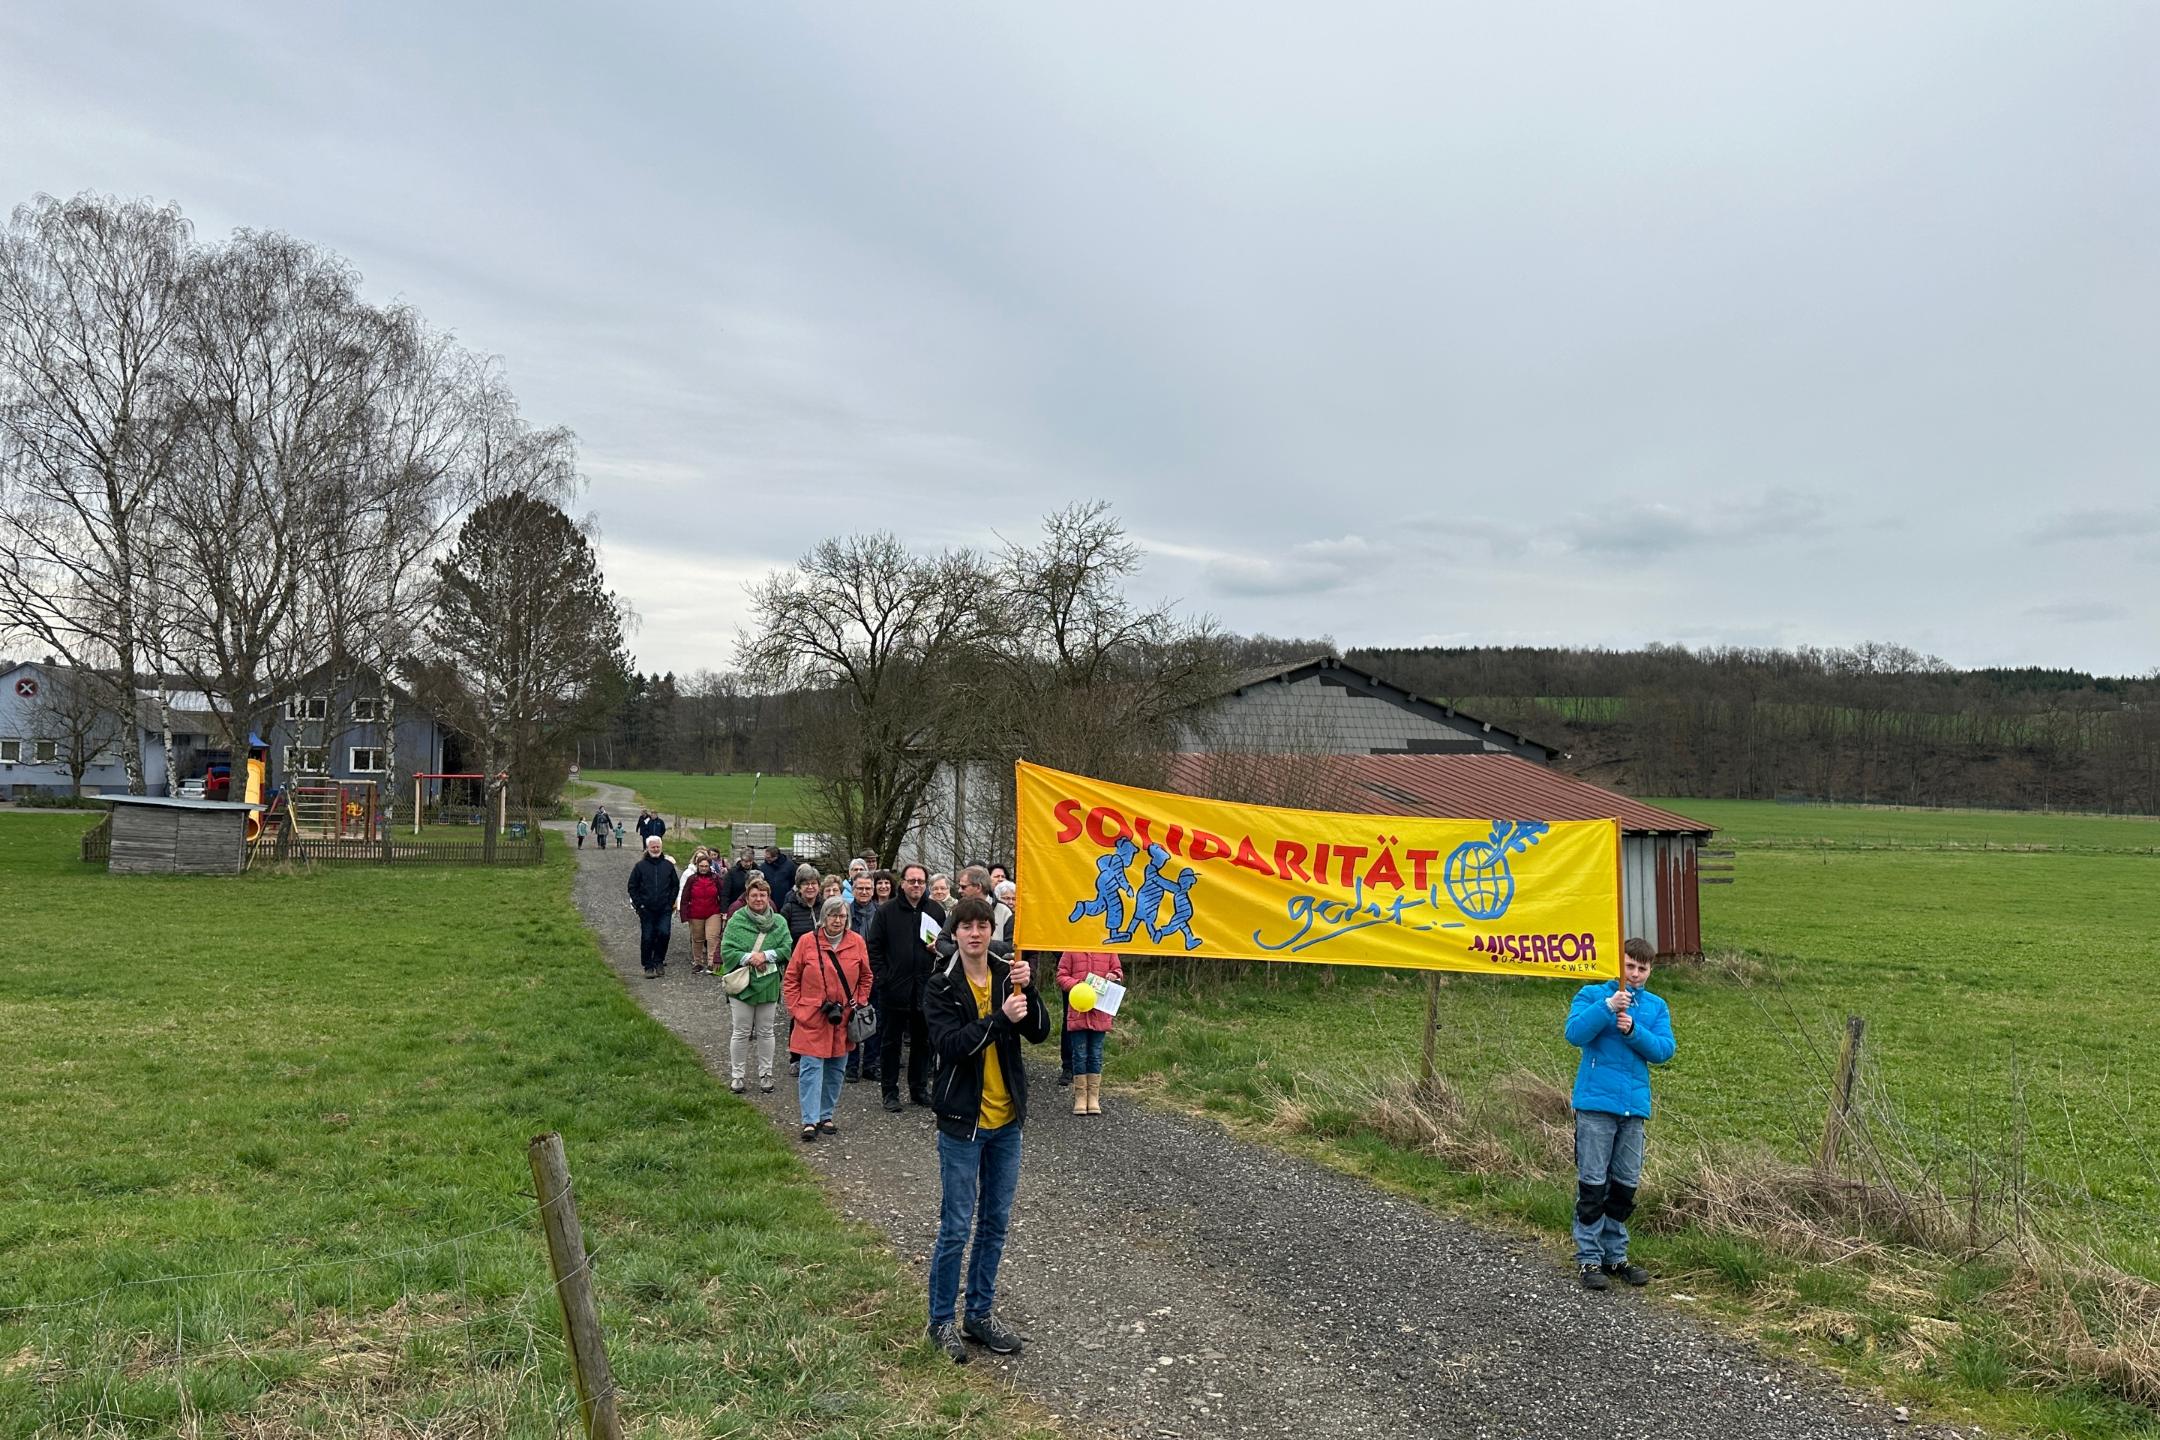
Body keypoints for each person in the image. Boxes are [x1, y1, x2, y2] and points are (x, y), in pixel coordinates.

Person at [922, 895, 1049, 1363]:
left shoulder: (1006, 973)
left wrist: (1030, 992)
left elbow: (1038, 1032)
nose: (976, 933)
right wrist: (998, 1019)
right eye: (967, 926)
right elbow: (951, 1046)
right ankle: (940, 1322)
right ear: (954, 933)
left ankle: (978, 1314)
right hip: (962, 1124)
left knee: (994, 1224)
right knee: (956, 1227)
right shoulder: (941, 985)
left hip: (1006, 1122)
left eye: (982, 925)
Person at [1564, 937, 1676, 1291]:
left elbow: (1663, 1050)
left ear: (1650, 971)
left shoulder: (1656, 1007)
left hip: (1634, 1108)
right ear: (1619, 964)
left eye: (1642, 968)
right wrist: (1607, 1007)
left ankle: (1616, 1255)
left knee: (1624, 1187)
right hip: (1596, 1104)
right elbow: (1575, 1034)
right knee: (1593, 1184)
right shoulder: (1592, 995)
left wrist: (1632, 1031)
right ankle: (1589, 1258)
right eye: (1630, 966)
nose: (1636, 973)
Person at [785, 895, 873, 1142]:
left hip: (843, 1017)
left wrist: (860, 1002)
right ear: (824, 917)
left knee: (836, 1068)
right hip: (812, 1016)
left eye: (842, 915)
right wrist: (797, 1009)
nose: (838, 920)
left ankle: (826, 1115)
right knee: (811, 1068)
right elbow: (791, 978)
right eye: (833, 915)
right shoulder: (806, 942)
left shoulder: (856, 942)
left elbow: (866, 977)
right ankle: (809, 1120)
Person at [866, 862, 944, 1112]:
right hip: (894, 988)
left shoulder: (935, 911)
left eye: (921, 882)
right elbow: (874, 947)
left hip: (925, 988)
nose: (917, 886)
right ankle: (889, 1092)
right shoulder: (886, 911)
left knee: (923, 1042)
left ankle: (919, 1089)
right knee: (891, 1043)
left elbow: (945, 946)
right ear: (903, 883)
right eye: (912, 881)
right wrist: (883, 978)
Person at [719, 875, 787, 1093]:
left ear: (769, 897)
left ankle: (766, 1074)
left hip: (769, 983)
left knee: (767, 1031)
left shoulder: (779, 922)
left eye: (763, 895)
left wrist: (766, 955)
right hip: (743, 985)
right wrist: (750, 957)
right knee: (741, 1031)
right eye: (754, 895)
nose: (759, 899)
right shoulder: (736, 920)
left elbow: (788, 948)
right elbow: (727, 950)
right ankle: (737, 1076)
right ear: (747, 897)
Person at [1057, 949, 1122, 1115]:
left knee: (1095, 1054)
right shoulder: (1071, 950)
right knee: (1079, 1054)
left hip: (1100, 1013)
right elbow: (1061, 976)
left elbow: (1118, 971)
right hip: (1077, 1012)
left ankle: (1093, 1096)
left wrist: (1114, 976)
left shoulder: (1108, 950)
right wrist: (1078, 985)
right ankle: (1080, 1096)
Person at [844, 873, 882, 1083]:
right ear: (853, 889)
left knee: (874, 1018)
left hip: (875, 972)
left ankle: (871, 1063)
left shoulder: (881, 913)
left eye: (868, 888)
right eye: (860, 888)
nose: (864, 892)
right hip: (850, 974)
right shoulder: (846, 913)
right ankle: (850, 1065)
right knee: (851, 1017)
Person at [626, 836, 680, 978]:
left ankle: (659, 961)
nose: (655, 849)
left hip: (664, 909)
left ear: (661, 847)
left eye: (657, 847)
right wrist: (639, 905)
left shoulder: (668, 866)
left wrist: (670, 902)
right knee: (648, 937)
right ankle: (648, 966)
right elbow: (632, 886)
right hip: (647, 909)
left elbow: (675, 885)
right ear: (648, 848)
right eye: (653, 847)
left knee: (664, 933)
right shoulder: (640, 866)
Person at [679, 853, 727, 974]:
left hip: (713, 912)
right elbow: (685, 897)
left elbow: (723, 895)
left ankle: (711, 962)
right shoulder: (692, 879)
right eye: (701, 866)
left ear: (709, 866)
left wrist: (723, 911)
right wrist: (684, 915)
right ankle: (698, 962)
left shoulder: (716, 879)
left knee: (712, 938)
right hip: (695, 913)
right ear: (697, 866)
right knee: (697, 939)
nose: (704, 868)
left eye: (706, 866)